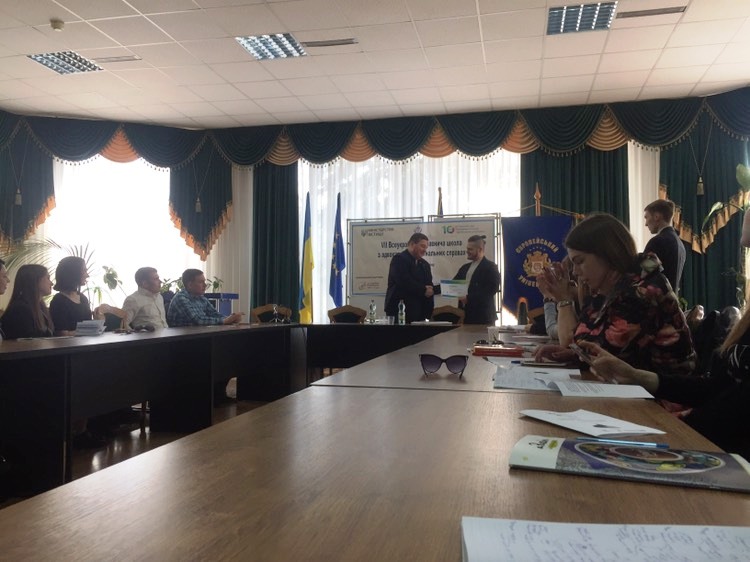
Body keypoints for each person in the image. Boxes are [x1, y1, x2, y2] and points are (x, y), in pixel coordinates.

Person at [535, 213, 695, 377]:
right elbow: (581, 344)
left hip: (661, 392)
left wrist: (564, 299)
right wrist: (573, 354)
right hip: (626, 388)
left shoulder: (643, 290)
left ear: (607, 254)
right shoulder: (609, 289)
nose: (575, 272)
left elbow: (597, 351)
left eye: (580, 261)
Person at [384, 233, 439, 324]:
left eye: (426, 248)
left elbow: (429, 286)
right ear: (412, 244)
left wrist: (437, 289)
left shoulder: (425, 264)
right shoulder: (399, 259)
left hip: (420, 313)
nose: (425, 250)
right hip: (400, 311)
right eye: (422, 246)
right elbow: (403, 281)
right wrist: (424, 290)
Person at [167, 269, 242, 327]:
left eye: (204, 282)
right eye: (201, 282)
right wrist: (225, 321)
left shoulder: (201, 298)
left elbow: (215, 314)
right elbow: (198, 320)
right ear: (190, 285)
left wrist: (232, 318)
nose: (205, 285)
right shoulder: (181, 298)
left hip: (198, 335)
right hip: (181, 339)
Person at [452, 235, 501, 325]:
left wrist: (469, 298)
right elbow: (452, 284)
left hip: (483, 317)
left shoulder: (490, 267)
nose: (467, 251)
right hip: (465, 316)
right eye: (467, 248)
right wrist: (432, 289)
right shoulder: (465, 267)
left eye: (470, 249)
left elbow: (491, 290)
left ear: (480, 249)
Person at [0, 264, 54, 339]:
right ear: (35, 280)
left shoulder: (40, 307)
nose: (51, 283)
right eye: (48, 278)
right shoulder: (20, 310)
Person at [49, 256, 99, 336]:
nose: (87, 275)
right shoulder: (58, 301)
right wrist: (89, 330)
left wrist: (97, 321)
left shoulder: (83, 298)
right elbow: (62, 334)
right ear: (74, 273)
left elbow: (88, 327)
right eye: (84, 271)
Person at [644, 199, 686, 291]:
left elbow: (644, 274)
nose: (646, 224)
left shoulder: (657, 242)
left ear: (656, 216)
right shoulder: (680, 244)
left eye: (646, 217)